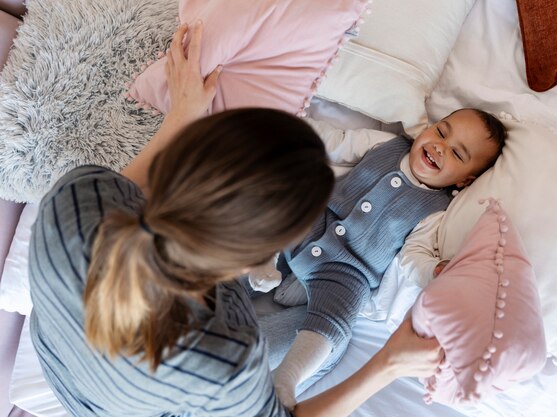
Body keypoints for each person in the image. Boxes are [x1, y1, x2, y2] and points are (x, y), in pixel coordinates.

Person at [28, 21, 444, 417]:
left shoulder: (74, 199)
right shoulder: (228, 358)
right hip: (119, 402)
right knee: (324, 332)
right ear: (261, 260)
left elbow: (131, 187)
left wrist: (180, 114)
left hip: (63, 352)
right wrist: (388, 364)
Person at [251, 105, 507, 407]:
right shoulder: (386, 145)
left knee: (336, 324)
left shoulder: (437, 211)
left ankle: (286, 379)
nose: (440, 147)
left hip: (347, 272)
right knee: (277, 205)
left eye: (457, 154)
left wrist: (435, 272)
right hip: (314, 219)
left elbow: (415, 254)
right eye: (441, 132)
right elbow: (335, 141)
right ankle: (260, 260)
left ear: (465, 180)